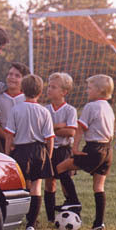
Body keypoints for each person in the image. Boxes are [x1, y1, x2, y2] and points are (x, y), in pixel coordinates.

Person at [56, 74, 115, 230]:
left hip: (93, 149)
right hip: (108, 150)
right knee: (98, 186)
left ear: (99, 90)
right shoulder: (109, 108)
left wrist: (75, 149)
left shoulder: (91, 106)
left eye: (89, 88)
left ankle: (73, 200)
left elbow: (80, 129)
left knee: (60, 168)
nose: (86, 91)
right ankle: (99, 223)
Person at [3, 74, 54, 230]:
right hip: (39, 151)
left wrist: (7, 153)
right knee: (36, 186)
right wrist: (49, 156)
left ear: (22, 90)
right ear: (40, 92)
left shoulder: (16, 109)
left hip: (21, 150)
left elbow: (9, 135)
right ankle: (31, 223)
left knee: (21, 185)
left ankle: (16, 218)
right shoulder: (44, 111)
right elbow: (50, 138)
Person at [44, 72, 81, 222]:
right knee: (49, 181)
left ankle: (73, 206)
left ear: (64, 92)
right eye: (49, 86)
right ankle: (51, 217)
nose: (49, 89)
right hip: (49, 149)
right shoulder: (45, 109)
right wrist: (58, 126)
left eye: (53, 87)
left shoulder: (70, 110)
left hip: (64, 150)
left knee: (65, 179)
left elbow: (71, 131)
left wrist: (52, 129)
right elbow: (43, 132)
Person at [0, 61, 29, 153]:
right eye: (10, 74)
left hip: (24, 143)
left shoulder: (27, 99)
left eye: (17, 76)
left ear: (24, 80)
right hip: (3, 141)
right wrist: (9, 139)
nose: (12, 77)